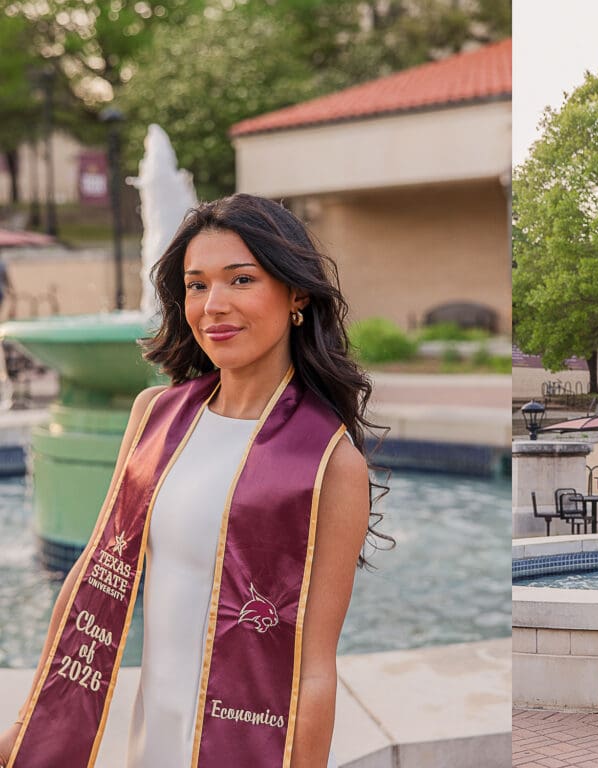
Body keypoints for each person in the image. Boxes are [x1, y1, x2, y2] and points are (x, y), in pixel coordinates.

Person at [0, 194, 390, 767]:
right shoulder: (155, 416)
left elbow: (314, 667)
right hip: (153, 738)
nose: (214, 305)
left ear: (296, 293)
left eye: (240, 280)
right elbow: (94, 576)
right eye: (197, 285)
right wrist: (25, 723)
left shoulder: (329, 463)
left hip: (246, 749)